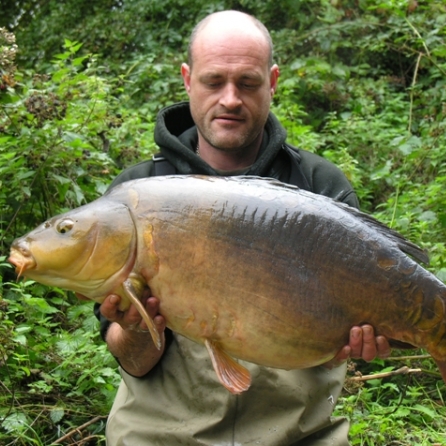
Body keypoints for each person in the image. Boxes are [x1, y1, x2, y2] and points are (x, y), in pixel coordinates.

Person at [96, 10, 390, 445]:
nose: (230, 99)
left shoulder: (320, 187)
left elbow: (333, 354)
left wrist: (355, 340)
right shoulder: (136, 197)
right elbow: (134, 364)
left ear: (272, 82)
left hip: (296, 435)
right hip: (160, 437)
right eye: (214, 81)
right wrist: (139, 327)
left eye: (248, 83)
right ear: (187, 79)